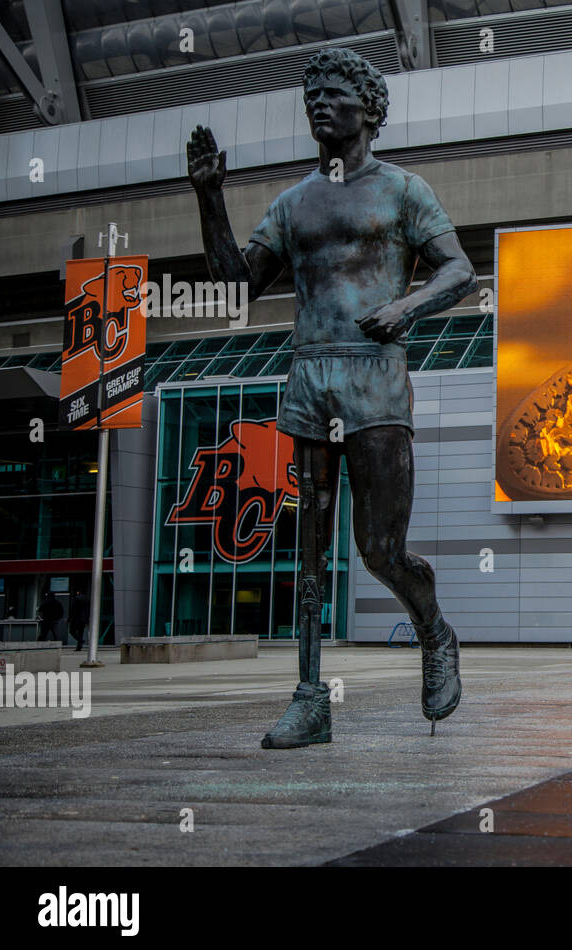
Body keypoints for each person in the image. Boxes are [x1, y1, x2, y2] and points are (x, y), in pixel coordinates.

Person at [187, 47, 476, 747]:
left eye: (335, 92)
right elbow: (236, 286)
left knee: (379, 549)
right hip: (311, 379)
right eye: (310, 92)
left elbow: (459, 270)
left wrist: (407, 309)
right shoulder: (292, 204)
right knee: (312, 553)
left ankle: (435, 632)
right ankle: (310, 697)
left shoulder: (404, 190)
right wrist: (208, 197)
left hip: (374, 379)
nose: (319, 101)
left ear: (369, 109)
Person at [69, 588, 91, 652]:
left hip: (76, 618)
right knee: (80, 632)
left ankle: (80, 641)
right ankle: (79, 647)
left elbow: (73, 609)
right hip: (84, 618)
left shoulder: (76, 599)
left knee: (72, 631)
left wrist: (70, 618)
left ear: (78, 592)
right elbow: (89, 609)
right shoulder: (87, 599)